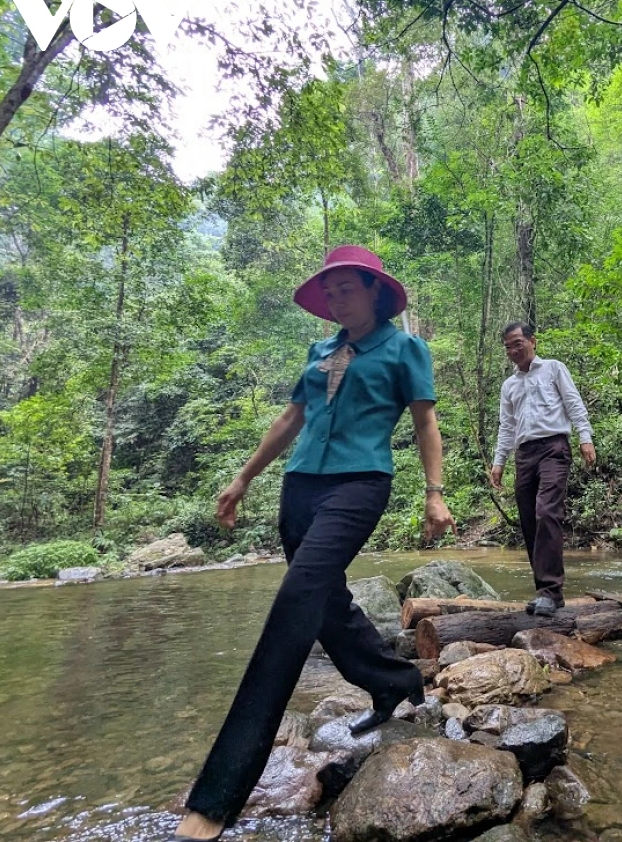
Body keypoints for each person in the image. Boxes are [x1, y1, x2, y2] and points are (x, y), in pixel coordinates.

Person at [173, 246, 456, 842]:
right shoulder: (319, 350)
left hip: (360, 483)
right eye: (330, 291)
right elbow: (289, 419)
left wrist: (435, 493)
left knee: (297, 596)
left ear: (375, 292)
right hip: (299, 487)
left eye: (347, 287)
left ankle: (222, 787)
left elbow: (425, 422)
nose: (336, 297)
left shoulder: (405, 348)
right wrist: (242, 478)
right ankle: (393, 680)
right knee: (325, 598)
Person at [490, 322, 596, 618]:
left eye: (517, 343)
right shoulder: (509, 385)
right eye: (508, 347)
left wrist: (585, 437)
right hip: (524, 455)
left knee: (547, 512)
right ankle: (546, 592)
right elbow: (507, 426)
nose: (513, 350)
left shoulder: (553, 368)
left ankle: (550, 592)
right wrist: (499, 461)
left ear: (532, 341)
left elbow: (574, 404)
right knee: (529, 521)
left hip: (554, 448)